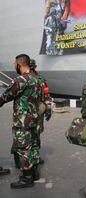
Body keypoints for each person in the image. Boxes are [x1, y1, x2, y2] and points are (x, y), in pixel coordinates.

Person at [0, 54, 41, 188]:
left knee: (23, 148)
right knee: (32, 145)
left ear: (20, 64)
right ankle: (34, 172)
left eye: (15, 64)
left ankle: (27, 178)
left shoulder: (21, 79)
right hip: (33, 119)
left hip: (22, 120)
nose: (14, 66)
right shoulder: (36, 79)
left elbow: (7, 95)